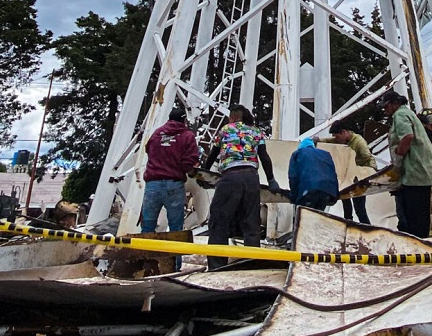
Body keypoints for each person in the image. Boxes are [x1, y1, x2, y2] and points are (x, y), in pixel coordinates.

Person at [202, 105, 278, 270]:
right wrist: (271, 179)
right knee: (251, 223)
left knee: (219, 222)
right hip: (251, 178)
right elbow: (264, 157)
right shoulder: (256, 132)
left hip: (230, 177)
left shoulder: (225, 129)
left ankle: (216, 265)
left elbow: (213, 154)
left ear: (232, 117)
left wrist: (204, 172)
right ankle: (251, 263)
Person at [378, 90, 432, 239]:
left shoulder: (400, 115)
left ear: (394, 104)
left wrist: (399, 152)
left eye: (386, 107)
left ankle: (416, 245)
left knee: (413, 218)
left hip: (414, 173)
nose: (385, 111)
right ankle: (421, 242)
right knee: (421, 216)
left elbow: (407, 136)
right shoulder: (408, 113)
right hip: (422, 172)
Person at [141, 106, 200, 233]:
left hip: (153, 184)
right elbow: (189, 161)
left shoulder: (157, 133)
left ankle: (144, 251)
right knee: (176, 229)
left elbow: (148, 150)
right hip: (174, 184)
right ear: (184, 120)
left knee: (147, 226)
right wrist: (192, 171)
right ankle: (175, 253)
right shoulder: (187, 135)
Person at [328, 120, 376, 224]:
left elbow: (367, 157)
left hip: (359, 178)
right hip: (347, 177)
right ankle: (348, 224)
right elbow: (331, 140)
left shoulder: (359, 141)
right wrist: (317, 140)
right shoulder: (342, 140)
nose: (336, 139)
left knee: (359, 208)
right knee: (346, 203)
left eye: (337, 136)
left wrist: (370, 173)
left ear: (343, 132)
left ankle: (366, 228)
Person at [287, 137, 339, 210]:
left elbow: (293, 177)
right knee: (317, 216)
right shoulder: (326, 154)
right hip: (326, 192)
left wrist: (293, 197)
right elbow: (333, 175)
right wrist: (335, 195)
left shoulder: (297, 153)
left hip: (308, 191)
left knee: (304, 218)